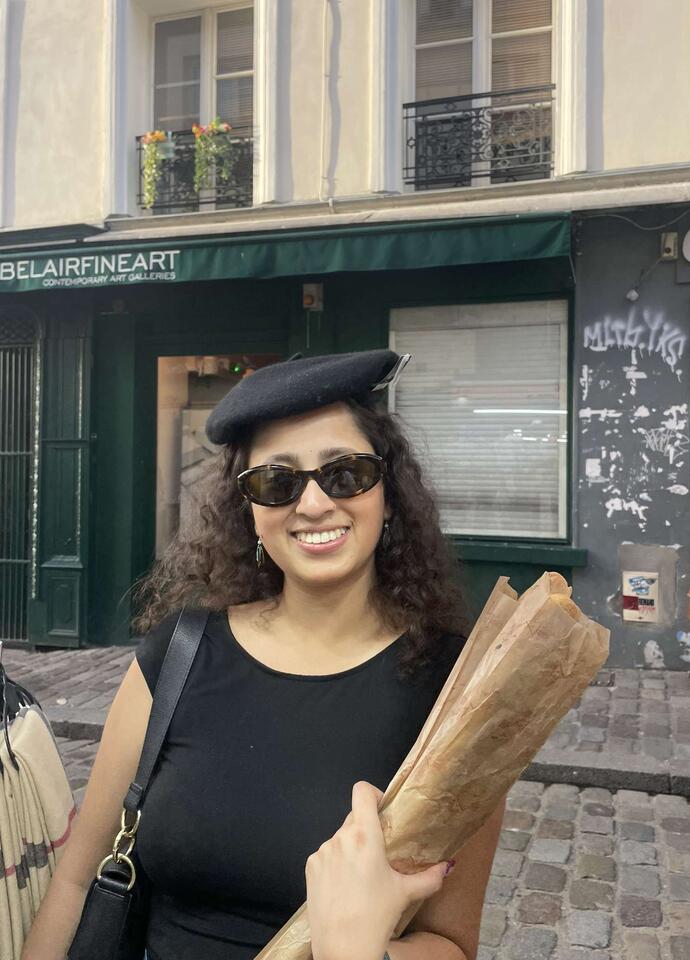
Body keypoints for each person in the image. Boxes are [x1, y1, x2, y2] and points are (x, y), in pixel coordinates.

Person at [22, 350, 504, 960]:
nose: (312, 504)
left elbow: (451, 942)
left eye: (345, 473)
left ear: (388, 494)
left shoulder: (456, 684)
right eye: (277, 482)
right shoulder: (178, 655)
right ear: (250, 513)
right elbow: (75, 880)